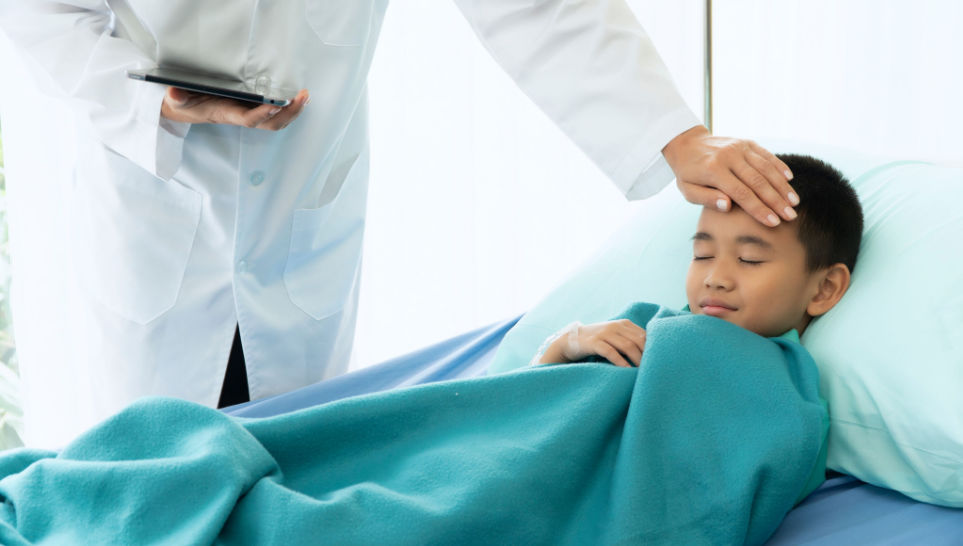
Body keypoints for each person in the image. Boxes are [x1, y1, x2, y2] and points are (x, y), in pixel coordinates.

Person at [0, 1, 800, 448]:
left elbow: (537, 5)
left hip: (298, 203)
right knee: (144, 469)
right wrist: (156, 103)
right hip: (152, 186)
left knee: (283, 462)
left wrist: (672, 135)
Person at [534, 153, 863, 367]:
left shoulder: (783, 401)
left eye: (749, 259)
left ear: (824, 289)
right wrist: (563, 348)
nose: (715, 278)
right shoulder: (645, 329)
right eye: (703, 255)